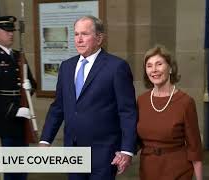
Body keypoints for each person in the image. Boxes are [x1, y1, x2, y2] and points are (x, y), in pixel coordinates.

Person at [39, 15, 138, 180]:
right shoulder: (66, 67)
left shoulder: (116, 67)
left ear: (99, 38)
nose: (79, 39)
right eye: (76, 34)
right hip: (73, 151)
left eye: (84, 34)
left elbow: (127, 111)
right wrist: (45, 140)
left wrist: (127, 150)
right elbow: (58, 107)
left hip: (104, 153)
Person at [0, 16, 36, 180]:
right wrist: (14, 111)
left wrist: (28, 88)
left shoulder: (19, 56)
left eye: (12, 31)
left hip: (22, 119)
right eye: (7, 31)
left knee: (22, 164)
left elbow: (31, 83)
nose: (11, 34)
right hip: (4, 120)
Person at [137, 45, 203, 180]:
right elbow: (134, 140)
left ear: (171, 68)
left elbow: (194, 147)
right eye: (149, 66)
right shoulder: (141, 101)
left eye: (159, 64)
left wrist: (199, 178)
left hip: (177, 170)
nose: (154, 70)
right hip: (148, 169)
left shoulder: (185, 102)